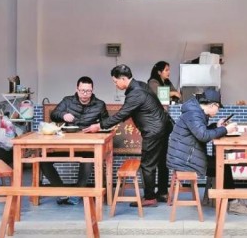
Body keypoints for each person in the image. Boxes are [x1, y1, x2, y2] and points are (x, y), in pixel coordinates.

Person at [84, 64, 173, 207]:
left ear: (123, 79)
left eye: (115, 81)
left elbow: (122, 113)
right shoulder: (140, 85)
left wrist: (99, 126)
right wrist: (112, 123)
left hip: (154, 131)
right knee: (161, 162)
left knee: (147, 164)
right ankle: (162, 193)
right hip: (163, 127)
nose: (115, 84)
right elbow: (129, 112)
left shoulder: (135, 93)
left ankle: (150, 198)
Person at [167, 89, 247, 216]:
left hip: (185, 156)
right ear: (213, 105)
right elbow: (203, 136)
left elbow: (200, 131)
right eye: (218, 108)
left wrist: (217, 126)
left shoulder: (195, 111)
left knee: (222, 164)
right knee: (223, 166)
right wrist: (225, 130)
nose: (218, 111)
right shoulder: (194, 114)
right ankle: (233, 203)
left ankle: (232, 200)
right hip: (185, 160)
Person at [42, 76, 108, 206]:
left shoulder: (99, 104)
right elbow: (53, 115)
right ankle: (62, 191)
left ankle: (77, 193)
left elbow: (106, 123)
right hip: (67, 144)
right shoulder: (67, 101)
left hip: (88, 145)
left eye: (88, 91)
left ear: (92, 90)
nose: (85, 94)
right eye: (82, 90)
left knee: (89, 159)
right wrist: (63, 115)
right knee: (43, 161)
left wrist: (98, 127)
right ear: (77, 89)